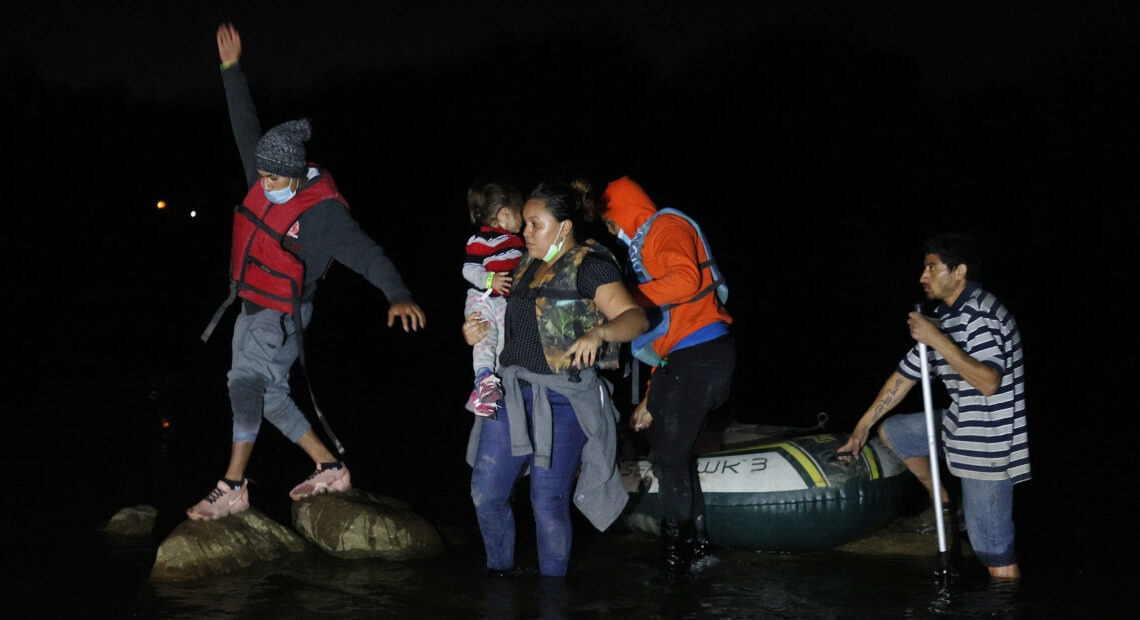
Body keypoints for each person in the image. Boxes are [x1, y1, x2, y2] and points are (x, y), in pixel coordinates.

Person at [188, 23, 427, 521]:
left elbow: (367, 253)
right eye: (263, 173)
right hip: (253, 304)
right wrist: (231, 70)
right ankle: (329, 466)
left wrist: (397, 293)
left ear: (296, 176)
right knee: (270, 394)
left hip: (280, 315)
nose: (265, 182)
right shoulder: (265, 173)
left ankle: (232, 485)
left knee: (244, 383)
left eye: (274, 177)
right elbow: (244, 124)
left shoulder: (322, 216)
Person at [461, 179, 648, 577]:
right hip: (511, 393)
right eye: (525, 223)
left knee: (547, 501)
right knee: (486, 493)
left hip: (563, 399)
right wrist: (473, 332)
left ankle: (553, 597)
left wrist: (600, 332)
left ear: (564, 227)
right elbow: (490, 310)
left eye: (534, 224)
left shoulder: (590, 266)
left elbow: (635, 317)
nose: (524, 232)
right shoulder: (522, 265)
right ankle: (500, 580)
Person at [837, 233, 1029, 579]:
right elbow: (905, 376)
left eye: (931, 268)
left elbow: (989, 381)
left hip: (989, 444)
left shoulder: (980, 314)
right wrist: (860, 429)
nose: (922, 276)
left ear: (959, 271)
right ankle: (944, 504)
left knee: (994, 554)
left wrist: (934, 337)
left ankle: (1008, 605)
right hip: (961, 425)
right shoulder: (947, 315)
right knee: (896, 431)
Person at [598, 176, 736, 575]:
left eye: (610, 223)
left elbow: (686, 280)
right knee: (674, 454)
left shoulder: (664, 227)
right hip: (688, 358)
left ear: (622, 213)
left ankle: (676, 554)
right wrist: (647, 399)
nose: (613, 233)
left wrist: (625, 302)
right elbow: (667, 344)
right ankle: (700, 547)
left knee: (669, 456)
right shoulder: (645, 245)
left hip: (702, 353)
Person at [461, 182, 525, 418]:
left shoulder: (518, 244)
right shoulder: (481, 240)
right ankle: (483, 378)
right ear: (505, 213)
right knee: (485, 338)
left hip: (502, 303)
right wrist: (490, 280)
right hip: (483, 298)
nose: (524, 220)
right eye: (520, 212)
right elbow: (468, 270)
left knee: (500, 348)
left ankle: (483, 393)